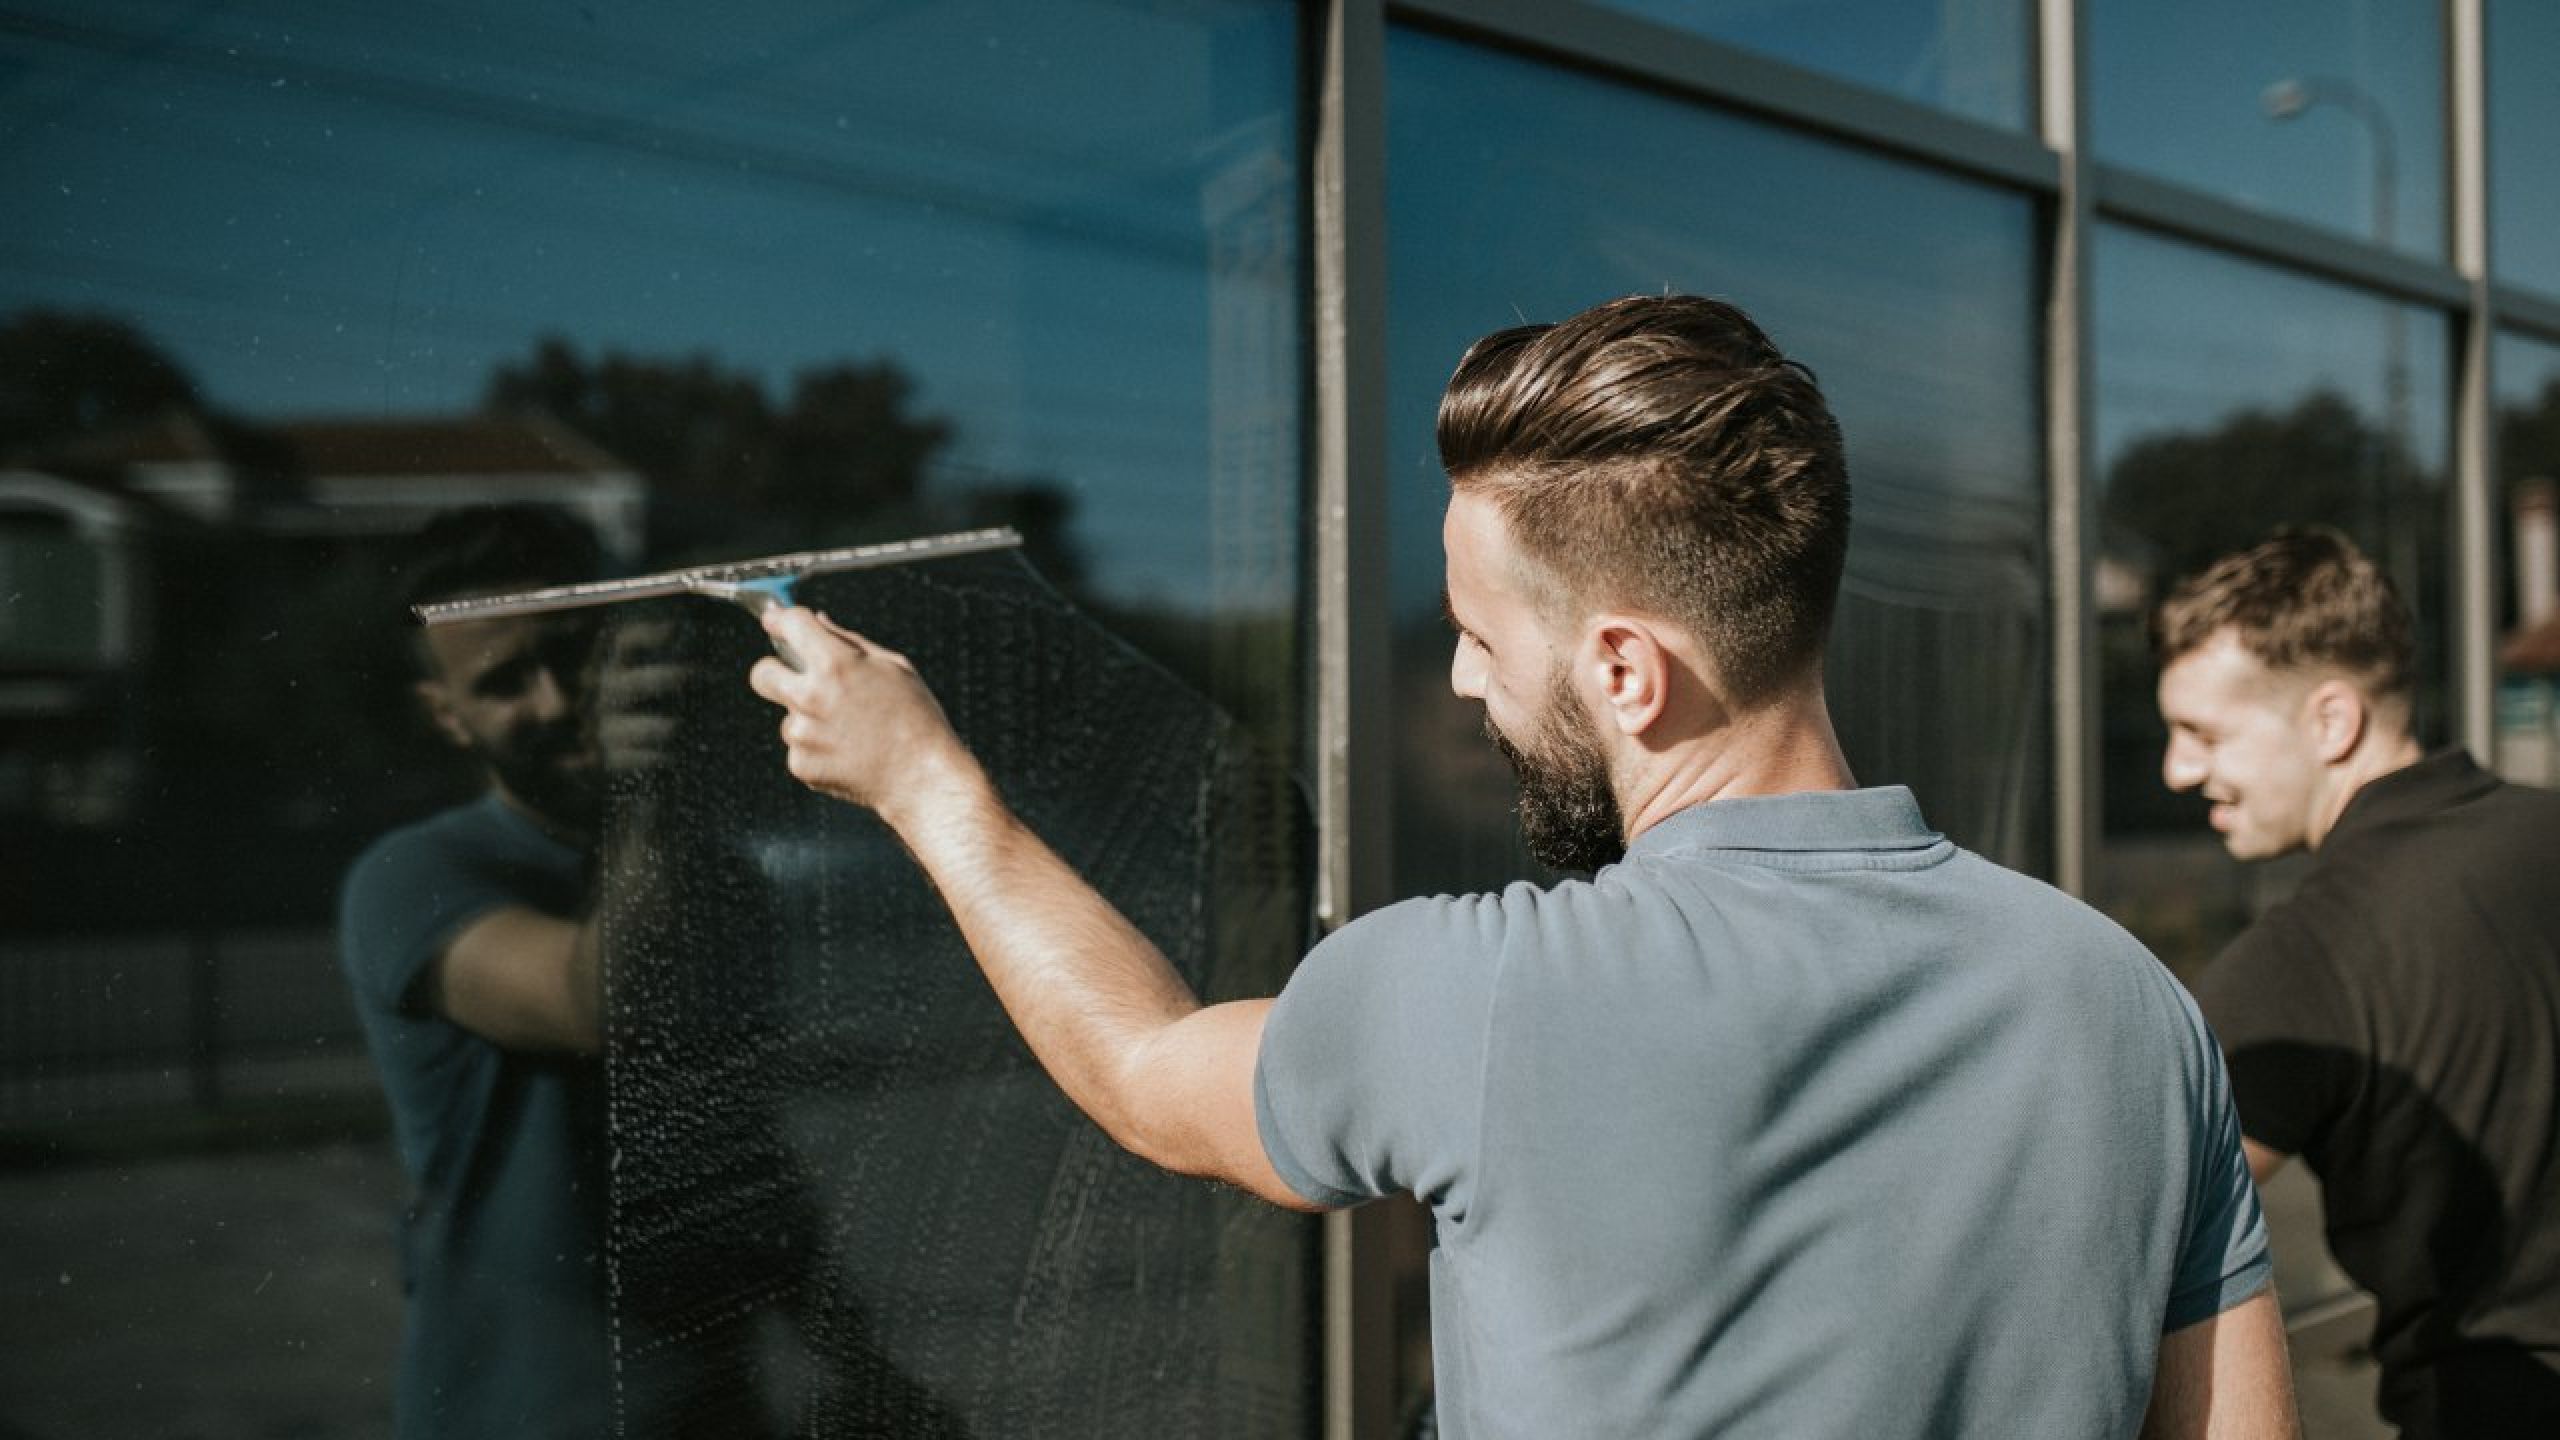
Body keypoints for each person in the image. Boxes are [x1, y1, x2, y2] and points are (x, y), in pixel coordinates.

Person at [752, 293, 2297, 1437]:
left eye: (1483, 640)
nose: (1464, 688)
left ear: (1628, 672)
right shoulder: (2130, 1002)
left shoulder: (1475, 991)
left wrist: (923, 781)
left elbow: (1146, 1070)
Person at [2153, 527, 2560, 1438]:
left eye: (2202, 732)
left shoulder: (2302, 959)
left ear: (2332, 721)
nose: (2178, 770)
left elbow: (2137, 1232)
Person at [338, 504, 622, 1439]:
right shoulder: (412, 874)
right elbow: (597, 1002)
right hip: (514, 1412)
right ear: (446, 716)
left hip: (697, 1395)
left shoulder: (700, 864)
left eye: (575, 652)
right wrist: (663, 787)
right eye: (504, 681)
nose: (555, 701)